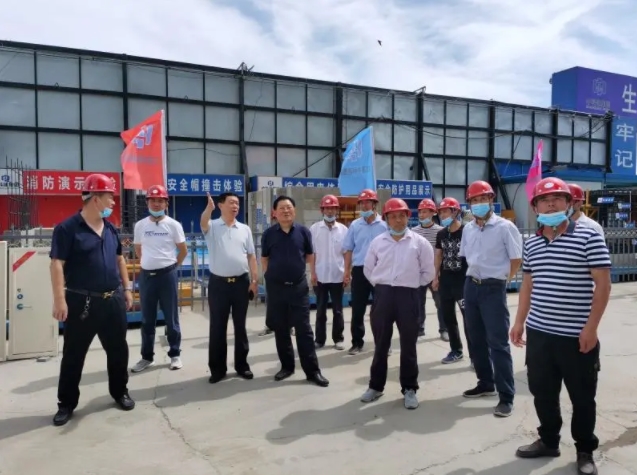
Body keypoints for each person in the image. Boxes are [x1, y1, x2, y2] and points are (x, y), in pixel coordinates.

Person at [510, 177, 611, 475]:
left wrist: (591, 328)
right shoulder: (533, 243)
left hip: (576, 336)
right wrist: (519, 321)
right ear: (535, 207)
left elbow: (603, 285)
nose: (551, 203)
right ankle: (549, 440)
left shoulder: (588, 236)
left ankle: (584, 450)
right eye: (544, 199)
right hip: (540, 334)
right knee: (543, 392)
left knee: (582, 397)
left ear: (569, 203)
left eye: (557, 198)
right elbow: (528, 285)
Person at [49, 173, 135, 426]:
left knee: (118, 350)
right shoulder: (67, 229)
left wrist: (127, 288)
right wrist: (59, 299)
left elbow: (120, 259)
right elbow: (56, 264)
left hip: (112, 300)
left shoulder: (110, 228)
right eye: (109, 197)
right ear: (95, 198)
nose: (113, 202)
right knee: (74, 355)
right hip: (81, 303)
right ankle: (66, 403)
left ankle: (120, 391)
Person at [360, 198, 435, 409]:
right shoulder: (378, 242)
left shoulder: (419, 243)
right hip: (383, 296)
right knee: (381, 344)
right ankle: (375, 386)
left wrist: (411, 285)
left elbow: (428, 272)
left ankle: (409, 388)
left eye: (402, 215)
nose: (398, 220)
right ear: (386, 219)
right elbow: (368, 269)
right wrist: (382, 286)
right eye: (393, 216)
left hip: (408, 296)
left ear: (408, 217)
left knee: (408, 345)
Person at [459, 180, 522, 418]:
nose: (478, 204)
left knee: (498, 343)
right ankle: (485, 383)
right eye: (474, 200)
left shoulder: (505, 227)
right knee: (476, 339)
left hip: (493, 287)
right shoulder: (468, 228)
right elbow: (466, 256)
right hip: (471, 286)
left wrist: (503, 280)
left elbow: (516, 259)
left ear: (491, 200)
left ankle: (506, 396)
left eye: (482, 199)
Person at [261, 196, 329, 387]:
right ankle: (287, 367)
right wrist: (271, 276)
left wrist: (305, 272)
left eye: (289, 207)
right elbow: (264, 259)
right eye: (282, 208)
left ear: (295, 211)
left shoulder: (303, 232)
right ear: (274, 212)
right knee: (281, 329)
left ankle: (313, 372)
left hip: (298, 287)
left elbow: (309, 255)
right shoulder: (269, 234)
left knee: (304, 330)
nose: (286, 211)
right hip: (276, 288)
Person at [201, 192, 259, 383]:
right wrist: (208, 210)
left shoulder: (244, 229)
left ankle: (242, 366)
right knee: (218, 327)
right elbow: (203, 222)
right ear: (220, 205)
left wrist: (254, 280)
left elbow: (251, 255)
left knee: (240, 326)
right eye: (231, 202)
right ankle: (218, 370)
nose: (235, 206)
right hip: (219, 284)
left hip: (241, 283)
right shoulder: (212, 226)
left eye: (237, 203)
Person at [131, 184, 187, 373]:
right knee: (147, 319)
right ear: (147, 202)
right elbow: (138, 249)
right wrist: (149, 263)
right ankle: (147, 357)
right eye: (153, 200)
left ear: (166, 203)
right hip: (147, 276)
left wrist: (171, 266)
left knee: (171, 318)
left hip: (167, 275)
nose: (156, 204)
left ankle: (175, 354)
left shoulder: (173, 225)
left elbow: (183, 250)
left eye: (160, 201)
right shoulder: (140, 225)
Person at [342, 189, 388, 355]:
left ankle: (383, 344)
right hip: (360, 271)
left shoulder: (384, 225)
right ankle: (357, 343)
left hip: (379, 270)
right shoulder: (355, 225)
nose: (364, 205)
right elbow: (348, 249)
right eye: (362, 203)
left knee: (381, 309)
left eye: (368, 202)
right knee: (357, 309)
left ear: (375, 204)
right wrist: (346, 271)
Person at [431, 197, 472, 365]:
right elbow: (438, 255)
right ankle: (456, 350)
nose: (442, 215)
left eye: (445, 211)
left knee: (469, 320)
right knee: (448, 318)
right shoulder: (441, 234)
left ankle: (476, 356)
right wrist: (435, 277)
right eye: (440, 212)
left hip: (463, 281)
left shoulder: (467, 231)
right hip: (446, 281)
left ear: (455, 212)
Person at [309, 194, 348, 350]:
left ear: (337, 210)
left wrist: (347, 272)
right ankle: (319, 339)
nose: (330, 211)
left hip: (338, 276)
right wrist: (312, 273)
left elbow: (346, 254)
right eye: (327, 208)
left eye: (333, 208)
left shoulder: (343, 230)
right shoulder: (314, 229)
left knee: (338, 310)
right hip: (320, 276)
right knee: (320, 311)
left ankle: (338, 338)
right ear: (322, 210)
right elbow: (312, 254)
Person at [410, 198, 448, 341]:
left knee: (440, 302)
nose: (421, 215)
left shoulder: (440, 231)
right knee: (418, 302)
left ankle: (444, 329)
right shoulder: (413, 231)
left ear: (433, 213)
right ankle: (419, 328)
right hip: (419, 274)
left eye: (425, 212)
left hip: (435, 274)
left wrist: (437, 274)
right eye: (420, 212)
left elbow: (442, 253)